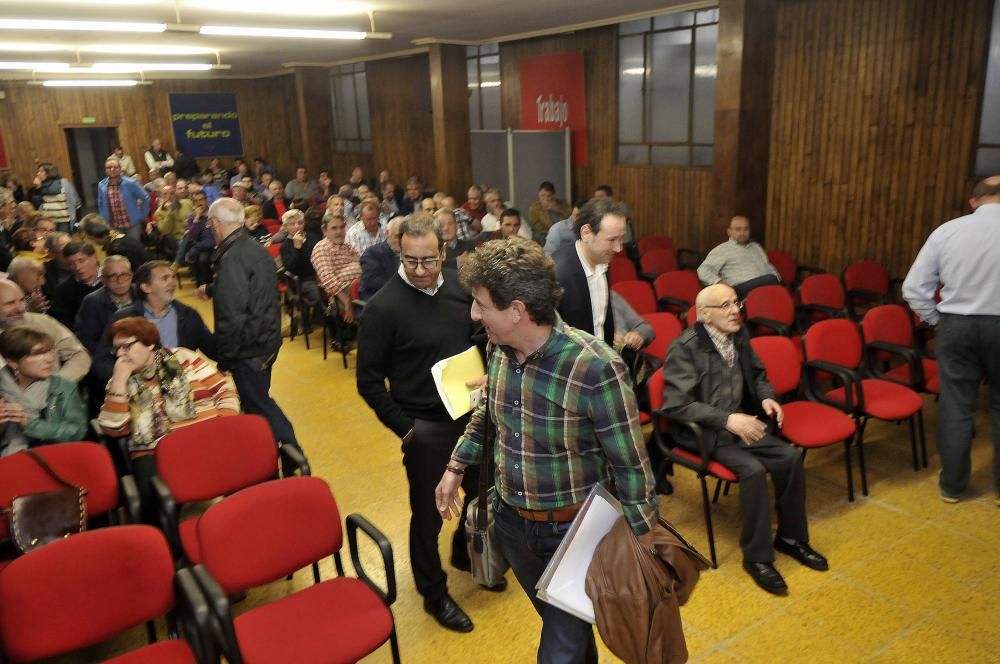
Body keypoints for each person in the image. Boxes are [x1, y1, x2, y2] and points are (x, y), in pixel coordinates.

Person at [435, 238, 657, 662]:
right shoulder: (497, 348)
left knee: (558, 650)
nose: (473, 313)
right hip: (512, 525)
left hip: (574, 535)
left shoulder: (596, 367)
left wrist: (643, 542)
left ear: (516, 310)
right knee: (567, 634)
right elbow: (489, 416)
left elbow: (632, 467)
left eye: (481, 303)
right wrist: (456, 466)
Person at [358, 215, 495, 635]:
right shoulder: (384, 307)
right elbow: (368, 381)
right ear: (400, 253)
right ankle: (434, 593)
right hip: (426, 427)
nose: (420, 270)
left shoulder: (459, 287)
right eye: (410, 261)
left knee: (479, 490)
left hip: (471, 415)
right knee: (430, 512)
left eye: (429, 261)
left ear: (444, 252)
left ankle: (463, 552)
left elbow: (481, 334)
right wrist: (407, 429)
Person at [663, 283, 827, 594]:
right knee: (751, 471)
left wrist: (766, 398)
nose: (735, 310)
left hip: (742, 421)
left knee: (789, 458)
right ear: (705, 315)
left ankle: (792, 538)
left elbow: (759, 374)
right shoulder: (684, 347)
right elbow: (676, 404)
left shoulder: (739, 335)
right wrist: (726, 419)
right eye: (724, 306)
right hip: (705, 432)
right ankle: (757, 557)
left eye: (736, 303)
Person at [902, 176, 1000, 505]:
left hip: (957, 326)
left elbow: (913, 288)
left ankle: (952, 487)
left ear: (973, 201)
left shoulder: (947, 231)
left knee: (957, 408)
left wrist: (937, 322)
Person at [98, 316, 238, 517]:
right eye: (116, 349)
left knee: (241, 469)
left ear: (150, 343)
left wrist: (224, 424)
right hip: (156, 451)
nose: (120, 354)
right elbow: (113, 427)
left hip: (205, 436)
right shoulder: (118, 381)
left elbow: (224, 389)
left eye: (126, 346)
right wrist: (120, 378)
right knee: (157, 497)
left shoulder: (184, 357)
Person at [199, 198, 301, 458]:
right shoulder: (254, 249)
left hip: (249, 347)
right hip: (266, 340)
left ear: (216, 222)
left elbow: (233, 315)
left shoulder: (232, 257)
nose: (210, 227)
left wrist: (226, 357)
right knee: (257, 402)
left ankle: (295, 456)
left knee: (260, 405)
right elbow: (251, 289)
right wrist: (213, 289)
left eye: (210, 223)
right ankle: (265, 453)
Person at [93, 260, 215, 388]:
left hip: (184, 389)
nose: (172, 283)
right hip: (141, 393)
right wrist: (127, 379)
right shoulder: (124, 318)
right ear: (146, 287)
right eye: (165, 278)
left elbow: (213, 349)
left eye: (173, 277)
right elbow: (101, 361)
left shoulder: (188, 315)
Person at [551, 198, 628, 346]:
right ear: (586, 233)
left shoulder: (602, 259)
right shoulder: (557, 273)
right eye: (611, 240)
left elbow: (600, 319)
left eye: (621, 239)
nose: (619, 249)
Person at [0, 327, 88, 456]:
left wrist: (31, 424)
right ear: (13, 362)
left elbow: (77, 431)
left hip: (53, 458)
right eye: (38, 354)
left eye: (49, 351)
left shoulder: (62, 386)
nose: (49, 359)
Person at [0, 280, 91, 383]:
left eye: (22, 300)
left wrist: (58, 383)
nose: (20, 308)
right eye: (10, 303)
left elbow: (79, 355)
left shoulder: (43, 322)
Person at [697, 216, 781, 298]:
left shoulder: (756, 247)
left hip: (764, 288)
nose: (742, 232)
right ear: (729, 232)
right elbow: (703, 270)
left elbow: (768, 267)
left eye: (746, 229)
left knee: (773, 280)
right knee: (770, 278)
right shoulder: (722, 250)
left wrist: (779, 280)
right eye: (738, 229)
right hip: (739, 290)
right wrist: (720, 282)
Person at [73, 255, 134, 355]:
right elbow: (86, 340)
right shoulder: (92, 302)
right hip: (111, 358)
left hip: (146, 354)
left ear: (131, 276)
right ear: (103, 280)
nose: (120, 281)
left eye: (124, 275)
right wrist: (115, 355)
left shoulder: (143, 295)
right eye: (113, 276)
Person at [311, 211, 362, 315]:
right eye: (334, 228)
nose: (339, 231)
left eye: (342, 227)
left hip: (361, 287)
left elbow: (361, 263)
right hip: (342, 296)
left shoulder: (346, 245)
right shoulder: (322, 248)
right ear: (324, 230)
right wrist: (346, 301)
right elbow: (329, 280)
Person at [98, 157, 150, 243]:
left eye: (115, 167)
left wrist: (142, 215)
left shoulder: (130, 183)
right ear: (105, 170)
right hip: (114, 225)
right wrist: (104, 219)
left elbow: (145, 198)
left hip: (132, 224)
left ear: (120, 169)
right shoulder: (101, 185)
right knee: (118, 249)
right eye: (109, 167)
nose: (112, 169)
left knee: (133, 249)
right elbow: (101, 204)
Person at [50, 242, 101, 329]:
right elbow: (63, 323)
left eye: (81, 260)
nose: (77, 267)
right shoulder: (64, 290)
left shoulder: (112, 279)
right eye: (71, 264)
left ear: (94, 257)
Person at [79, 214, 150, 273]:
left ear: (92, 236)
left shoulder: (115, 249)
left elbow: (122, 275)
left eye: (87, 236)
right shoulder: (120, 237)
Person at [279, 208, 322, 302]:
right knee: (317, 293)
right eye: (292, 224)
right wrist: (296, 249)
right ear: (285, 227)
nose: (297, 226)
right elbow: (291, 269)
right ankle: (320, 316)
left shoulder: (313, 236)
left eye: (300, 223)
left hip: (322, 274)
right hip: (303, 280)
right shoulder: (285, 246)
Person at [358, 216, 402, 301]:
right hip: (377, 301)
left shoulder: (410, 254)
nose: (401, 240)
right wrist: (402, 287)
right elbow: (371, 281)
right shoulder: (372, 253)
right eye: (397, 236)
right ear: (387, 233)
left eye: (404, 236)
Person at [29, 163, 80, 232]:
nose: (38, 174)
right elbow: (37, 204)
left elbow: (76, 202)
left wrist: (77, 222)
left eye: (41, 171)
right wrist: (38, 188)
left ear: (49, 172)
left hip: (64, 222)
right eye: (38, 171)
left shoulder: (64, 183)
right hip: (48, 222)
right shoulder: (40, 186)